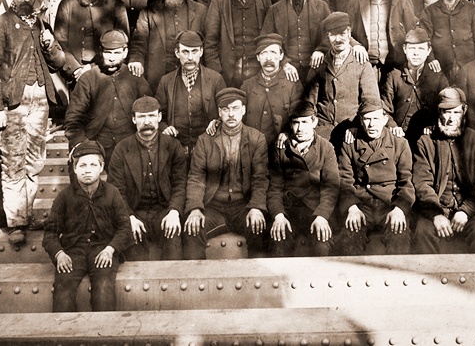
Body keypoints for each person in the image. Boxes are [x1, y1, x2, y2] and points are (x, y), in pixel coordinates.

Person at [0, 0, 67, 244]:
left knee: (35, 162)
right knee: (14, 162)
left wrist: (51, 47)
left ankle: (26, 215)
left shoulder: (41, 24)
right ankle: (16, 222)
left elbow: (58, 64)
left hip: (40, 101)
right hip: (13, 106)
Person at [43, 140, 131, 312]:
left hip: (103, 250)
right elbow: (50, 234)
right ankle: (65, 335)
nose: (88, 169)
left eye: (93, 164)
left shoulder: (112, 193)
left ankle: (103, 336)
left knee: (104, 287)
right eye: (82, 165)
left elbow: (124, 228)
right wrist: (59, 254)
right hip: (73, 252)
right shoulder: (64, 197)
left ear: (101, 167)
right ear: (74, 169)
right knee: (63, 288)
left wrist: (110, 249)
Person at [183, 88, 269, 259]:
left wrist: (256, 207)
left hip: (242, 206)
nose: (231, 114)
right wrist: (195, 208)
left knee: (259, 228)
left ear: (243, 110)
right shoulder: (205, 140)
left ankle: (253, 282)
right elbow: (196, 177)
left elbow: (260, 178)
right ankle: (199, 282)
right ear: (219, 112)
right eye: (225, 109)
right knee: (192, 230)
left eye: (235, 108)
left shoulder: (256, 138)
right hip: (214, 208)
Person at [411, 87, 475, 254]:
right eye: (446, 112)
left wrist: (466, 210)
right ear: (439, 112)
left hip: (468, 209)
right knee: (422, 233)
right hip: (435, 208)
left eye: (456, 113)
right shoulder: (426, 142)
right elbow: (421, 183)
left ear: (464, 111)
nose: (450, 119)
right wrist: (436, 214)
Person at [106, 96, 188, 260]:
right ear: (133, 119)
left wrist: (173, 212)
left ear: (159, 117)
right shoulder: (122, 149)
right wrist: (128, 218)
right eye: (141, 117)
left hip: (164, 211)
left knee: (174, 245)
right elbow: (116, 190)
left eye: (151, 116)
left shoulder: (173, 146)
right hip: (134, 213)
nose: (146, 121)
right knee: (132, 251)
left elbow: (181, 184)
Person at [334, 98, 414, 255]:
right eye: (367, 119)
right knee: (350, 237)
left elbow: (406, 182)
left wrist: (399, 209)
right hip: (361, 205)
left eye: (376, 118)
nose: (371, 124)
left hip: (390, 204)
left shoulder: (400, 144)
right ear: (361, 121)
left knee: (399, 237)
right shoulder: (349, 144)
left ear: (385, 119)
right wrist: (351, 207)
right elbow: (344, 181)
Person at [64, 30, 152, 161]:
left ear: (125, 53)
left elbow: (150, 109)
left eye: (117, 53)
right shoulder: (88, 78)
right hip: (96, 145)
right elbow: (74, 117)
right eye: (108, 52)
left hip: (130, 147)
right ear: (100, 51)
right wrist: (81, 144)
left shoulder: (135, 77)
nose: (112, 58)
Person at [267, 101, 340, 257]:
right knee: (279, 242)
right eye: (295, 123)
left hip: (315, 209)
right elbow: (274, 187)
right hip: (288, 210)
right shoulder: (280, 148)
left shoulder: (326, 148)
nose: (299, 128)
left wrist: (322, 215)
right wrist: (278, 215)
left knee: (322, 244)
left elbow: (331, 188)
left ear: (314, 122)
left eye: (304, 122)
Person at [128, 0, 207, 92]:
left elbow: (209, 45)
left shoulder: (201, 11)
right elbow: (139, 43)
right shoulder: (148, 13)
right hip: (158, 78)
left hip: (192, 77)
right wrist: (136, 60)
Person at [304, 12, 378, 145]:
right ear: (328, 36)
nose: (338, 39)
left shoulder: (361, 62)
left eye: (342, 33)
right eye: (333, 35)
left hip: (352, 132)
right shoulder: (319, 63)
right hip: (322, 132)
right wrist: (312, 127)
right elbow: (308, 102)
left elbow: (371, 101)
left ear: (349, 33)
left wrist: (357, 127)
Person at [204, 0, 273, 87]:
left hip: (258, 72)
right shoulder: (218, 1)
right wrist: (218, 75)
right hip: (228, 75)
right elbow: (210, 43)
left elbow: (269, 38)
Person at [54, 0, 129, 83]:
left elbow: (124, 42)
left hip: (107, 75)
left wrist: (92, 68)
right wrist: (76, 70)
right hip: (75, 76)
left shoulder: (117, 5)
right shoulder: (67, 4)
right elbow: (59, 42)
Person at [346, 0, 419, 80]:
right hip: (365, 67)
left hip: (396, 68)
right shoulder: (356, 2)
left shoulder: (403, 0)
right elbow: (346, 33)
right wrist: (356, 45)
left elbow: (412, 34)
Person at [154, 30, 227, 158]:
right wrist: (164, 127)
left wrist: (217, 121)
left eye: (194, 52)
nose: (190, 58)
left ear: (201, 52)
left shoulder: (215, 79)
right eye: (185, 52)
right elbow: (157, 115)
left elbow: (226, 111)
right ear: (177, 53)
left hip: (208, 148)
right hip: (176, 148)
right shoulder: (166, 81)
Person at [261, 0, 332, 79]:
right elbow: (267, 41)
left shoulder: (321, 7)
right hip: (286, 72)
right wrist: (284, 63)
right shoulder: (274, 10)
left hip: (315, 70)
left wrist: (321, 50)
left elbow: (331, 33)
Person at [380, 28, 448, 144]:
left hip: (428, 138)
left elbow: (447, 108)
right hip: (400, 138)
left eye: (421, 49)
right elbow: (384, 109)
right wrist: (393, 126)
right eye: (412, 48)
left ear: (428, 51)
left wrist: (434, 126)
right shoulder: (394, 75)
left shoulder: (438, 78)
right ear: (405, 49)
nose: (416, 53)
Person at [418, 0, 475, 84]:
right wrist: (431, 59)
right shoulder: (429, 11)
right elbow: (424, 40)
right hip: (440, 71)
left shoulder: (472, 9)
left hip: (469, 70)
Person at [240, 34, 302, 143]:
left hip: (281, 147)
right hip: (252, 146)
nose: (268, 58)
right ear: (258, 57)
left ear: (281, 56)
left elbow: (301, 116)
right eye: (263, 53)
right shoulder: (247, 85)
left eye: (273, 52)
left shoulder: (292, 84)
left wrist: (289, 133)